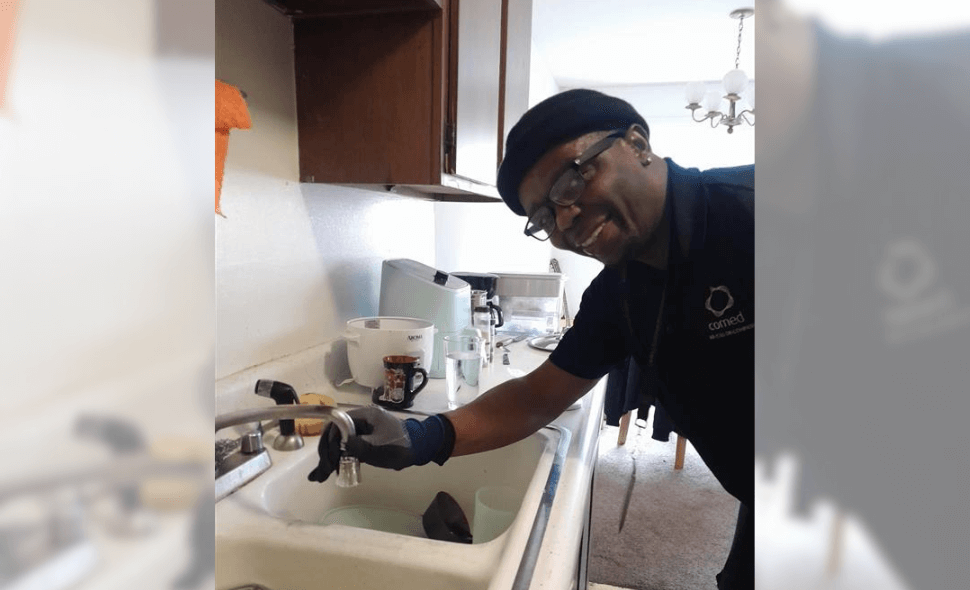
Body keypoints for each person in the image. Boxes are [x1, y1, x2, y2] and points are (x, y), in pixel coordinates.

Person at [309, 89, 754, 589]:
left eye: (570, 179)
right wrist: (417, 437)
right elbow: (535, 398)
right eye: (542, 217)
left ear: (636, 143)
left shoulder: (763, 213)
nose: (564, 221)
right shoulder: (619, 295)